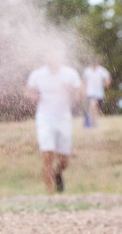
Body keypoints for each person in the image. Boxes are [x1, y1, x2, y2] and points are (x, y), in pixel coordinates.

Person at [25, 54, 82, 194]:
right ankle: (50, 193)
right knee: (47, 155)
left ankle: (57, 173)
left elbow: (81, 93)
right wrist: (33, 96)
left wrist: (71, 90)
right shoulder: (37, 74)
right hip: (44, 118)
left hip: (64, 118)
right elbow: (28, 90)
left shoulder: (70, 74)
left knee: (63, 160)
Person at [81, 58, 111, 128]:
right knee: (92, 105)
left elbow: (107, 79)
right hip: (90, 92)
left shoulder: (102, 70)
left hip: (99, 93)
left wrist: (106, 83)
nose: (94, 65)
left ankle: (93, 122)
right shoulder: (87, 71)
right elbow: (83, 81)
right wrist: (83, 90)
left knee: (96, 109)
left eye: (95, 63)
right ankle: (90, 122)